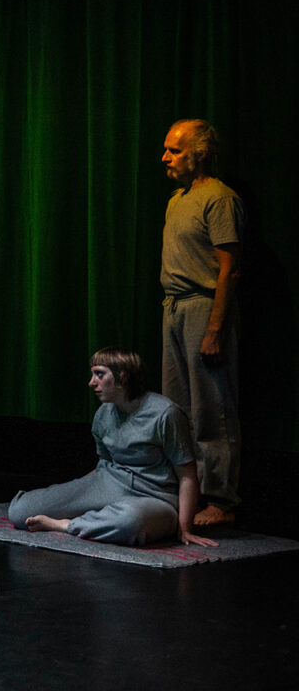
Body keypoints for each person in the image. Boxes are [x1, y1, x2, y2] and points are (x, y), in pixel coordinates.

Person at [8, 348, 218, 548]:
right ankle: (98, 520)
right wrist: (76, 493)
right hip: (109, 484)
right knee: (20, 511)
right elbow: (103, 464)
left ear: (123, 376)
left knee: (129, 521)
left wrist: (185, 528)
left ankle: (68, 525)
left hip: (155, 497)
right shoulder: (103, 414)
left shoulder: (166, 414)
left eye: (99, 374)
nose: (92, 382)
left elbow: (187, 476)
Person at [160, 118, 243, 527]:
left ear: (200, 154)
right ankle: (186, 492)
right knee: (177, 406)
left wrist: (215, 328)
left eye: (175, 150)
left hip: (202, 306)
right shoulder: (177, 199)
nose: (166, 157)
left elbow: (230, 269)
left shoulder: (219, 198)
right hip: (173, 307)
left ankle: (221, 500)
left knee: (212, 406)